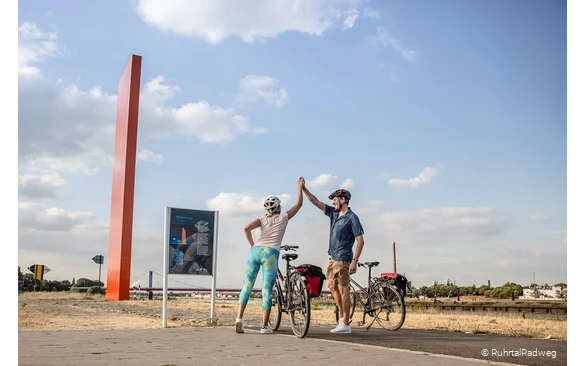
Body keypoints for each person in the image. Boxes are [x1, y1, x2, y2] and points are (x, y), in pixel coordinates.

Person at [235, 177, 305, 334]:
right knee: (266, 290)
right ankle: (264, 326)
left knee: (247, 285)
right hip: (270, 253)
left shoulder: (261, 219)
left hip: (255, 251)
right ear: (279, 207)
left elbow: (246, 228)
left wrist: (252, 244)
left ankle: (239, 318)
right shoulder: (283, 217)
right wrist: (300, 188)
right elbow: (298, 205)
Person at [301, 185, 364, 334]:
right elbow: (315, 201)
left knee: (343, 288)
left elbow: (360, 241)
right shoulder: (334, 214)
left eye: (336, 200)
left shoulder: (352, 218)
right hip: (333, 257)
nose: (334, 203)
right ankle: (342, 318)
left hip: (343, 258)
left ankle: (346, 323)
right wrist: (303, 189)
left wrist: (354, 260)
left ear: (344, 200)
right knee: (331, 286)